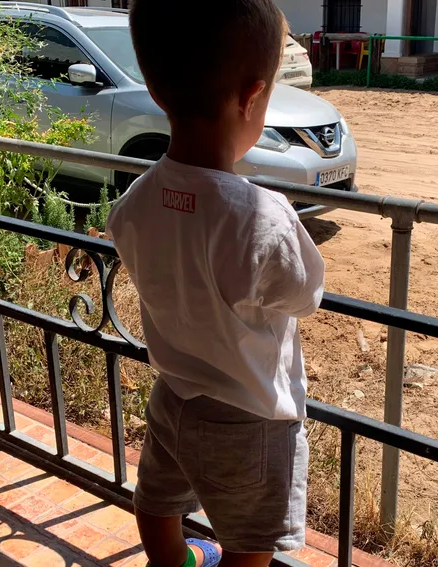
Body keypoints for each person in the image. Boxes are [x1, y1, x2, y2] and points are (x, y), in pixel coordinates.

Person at [104, 1, 325, 567]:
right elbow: (304, 295)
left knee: (155, 503)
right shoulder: (262, 215)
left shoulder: (134, 202)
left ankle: (173, 561)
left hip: (174, 398)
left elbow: (142, 254)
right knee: (250, 542)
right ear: (253, 97)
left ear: (155, 90)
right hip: (250, 416)